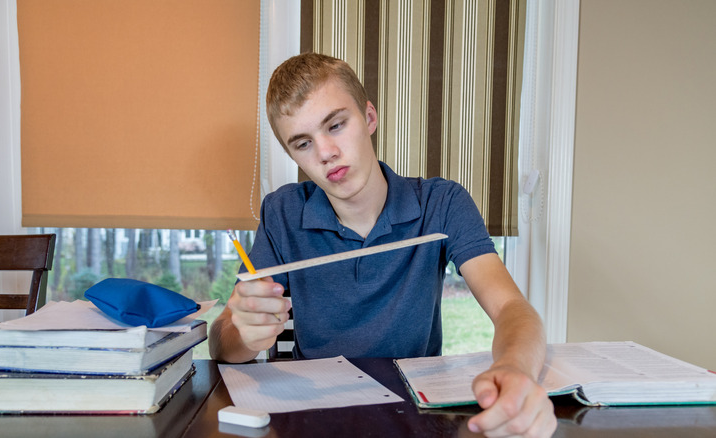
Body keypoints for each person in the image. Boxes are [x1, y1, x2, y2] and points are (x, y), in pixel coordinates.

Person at [209, 53, 556, 437]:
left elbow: (511, 307)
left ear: (369, 117)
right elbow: (222, 343)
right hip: (313, 417)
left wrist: (514, 368)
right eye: (303, 143)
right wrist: (242, 332)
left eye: (336, 125)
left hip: (415, 417)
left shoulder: (441, 203)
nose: (325, 153)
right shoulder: (283, 212)